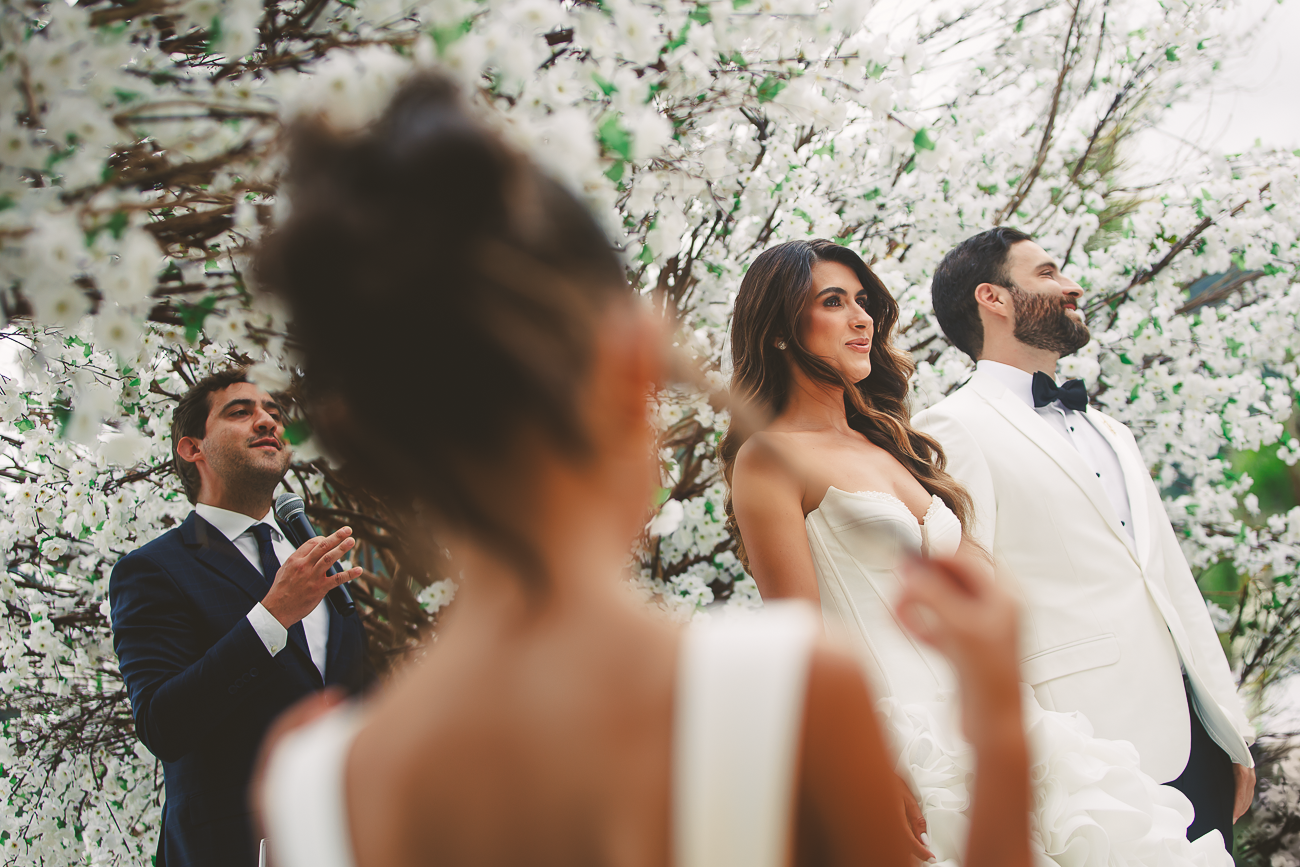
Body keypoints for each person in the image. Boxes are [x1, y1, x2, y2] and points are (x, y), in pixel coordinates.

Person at [249, 75, 1031, 867]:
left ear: (366, 435)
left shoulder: (314, 788)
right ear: (630, 368)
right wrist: (998, 730)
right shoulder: (789, 696)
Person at [723, 237, 1237, 865]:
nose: (861, 318)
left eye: (863, 302)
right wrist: (865, 767)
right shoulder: (767, 459)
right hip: (897, 741)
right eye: (834, 302)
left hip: (1002, 726)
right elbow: (796, 639)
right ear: (780, 329)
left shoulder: (893, 444)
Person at [913, 227, 1256, 847]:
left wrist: (1230, 731)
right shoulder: (950, 429)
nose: (1073, 286)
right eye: (1047, 274)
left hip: (1197, 734)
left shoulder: (1113, 431)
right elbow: (964, 608)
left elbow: (1167, 580)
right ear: (994, 298)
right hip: (1089, 752)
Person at [109, 368, 369, 867]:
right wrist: (272, 617)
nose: (268, 421)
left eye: (274, 412)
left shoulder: (313, 559)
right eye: (241, 411)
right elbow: (163, 724)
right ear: (192, 449)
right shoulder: (152, 570)